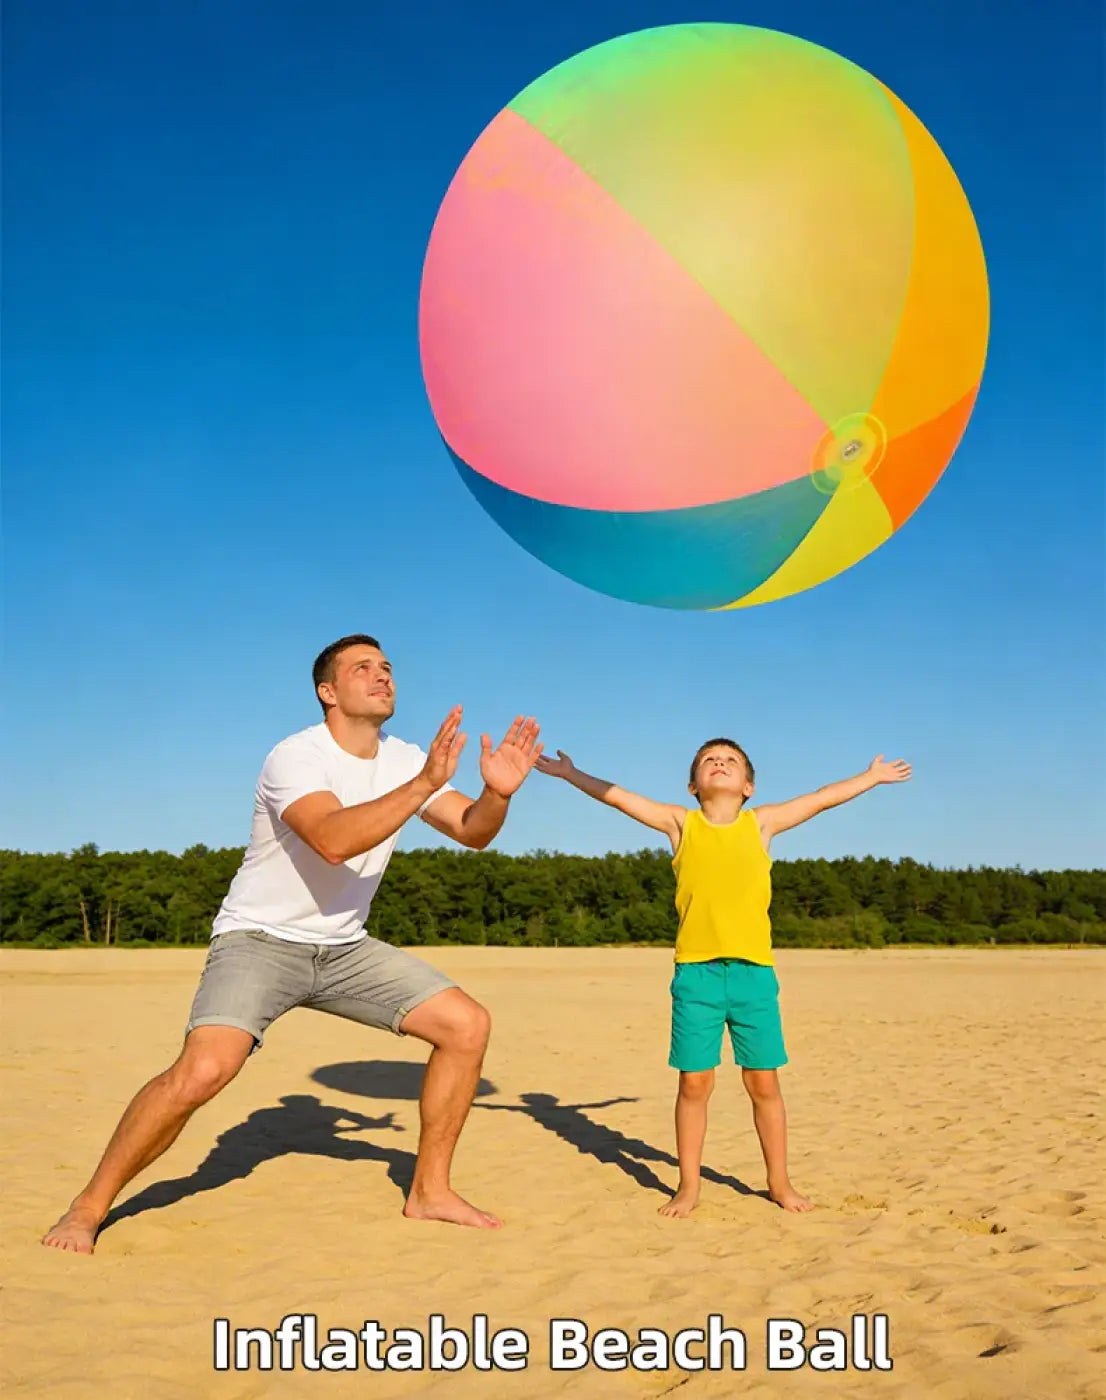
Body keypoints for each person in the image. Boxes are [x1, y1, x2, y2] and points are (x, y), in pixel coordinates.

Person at [44, 634, 543, 1253]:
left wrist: (496, 794)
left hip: (344, 948)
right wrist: (424, 785)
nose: (382, 675)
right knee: (205, 1069)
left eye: (386, 667)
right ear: (327, 692)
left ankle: (430, 1192)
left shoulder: (404, 759)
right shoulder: (296, 756)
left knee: (466, 1025)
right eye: (363, 667)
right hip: (259, 940)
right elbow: (333, 839)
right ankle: (87, 1207)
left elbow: (472, 832)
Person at [536, 738, 911, 1217]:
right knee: (694, 1084)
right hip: (697, 976)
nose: (720, 763)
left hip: (755, 975)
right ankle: (688, 1186)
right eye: (709, 761)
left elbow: (819, 798)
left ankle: (779, 1182)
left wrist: (870, 777)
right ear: (694, 785)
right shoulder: (680, 823)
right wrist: (573, 774)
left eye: (730, 761)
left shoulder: (762, 823)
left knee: (764, 1083)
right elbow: (618, 796)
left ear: (748, 786)